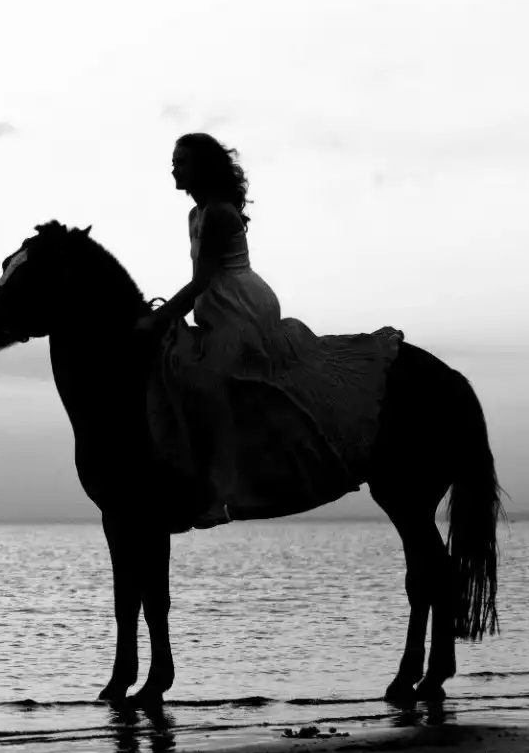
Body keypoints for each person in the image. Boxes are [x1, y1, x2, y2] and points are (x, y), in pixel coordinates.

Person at [134, 133, 371, 526]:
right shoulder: (195, 215)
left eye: (182, 161)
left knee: (212, 384)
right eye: (174, 161)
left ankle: (220, 495)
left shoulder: (219, 214)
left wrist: (159, 318)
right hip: (218, 306)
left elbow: (201, 282)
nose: (174, 168)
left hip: (240, 308)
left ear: (203, 168)